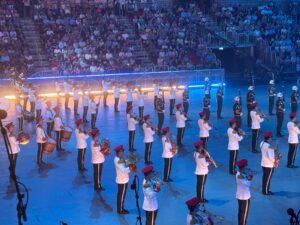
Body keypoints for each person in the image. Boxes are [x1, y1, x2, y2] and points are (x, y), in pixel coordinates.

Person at [114, 145, 134, 214]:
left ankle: (121, 208)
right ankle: (120, 210)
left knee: (121, 195)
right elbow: (123, 169)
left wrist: (129, 161)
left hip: (123, 179)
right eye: (121, 151)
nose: (122, 153)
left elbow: (124, 162)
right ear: (118, 152)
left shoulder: (119, 159)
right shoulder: (117, 160)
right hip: (122, 180)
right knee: (121, 195)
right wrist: (130, 168)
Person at [235, 159, 252, 225]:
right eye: (246, 166)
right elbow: (248, 184)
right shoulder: (240, 176)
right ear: (243, 167)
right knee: (244, 214)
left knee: (240, 212)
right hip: (245, 197)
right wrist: (250, 175)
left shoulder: (239, 173)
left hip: (240, 195)